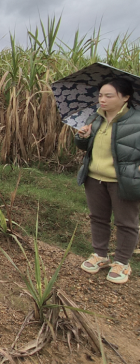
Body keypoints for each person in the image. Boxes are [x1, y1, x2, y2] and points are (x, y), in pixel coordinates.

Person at [75, 78, 140, 284]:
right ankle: (100, 255)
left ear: (125, 97)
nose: (102, 99)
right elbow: (87, 147)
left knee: (126, 223)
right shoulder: (96, 118)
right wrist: (83, 137)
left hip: (124, 180)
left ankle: (122, 262)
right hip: (94, 177)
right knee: (98, 218)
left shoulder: (137, 121)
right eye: (101, 95)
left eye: (109, 96)